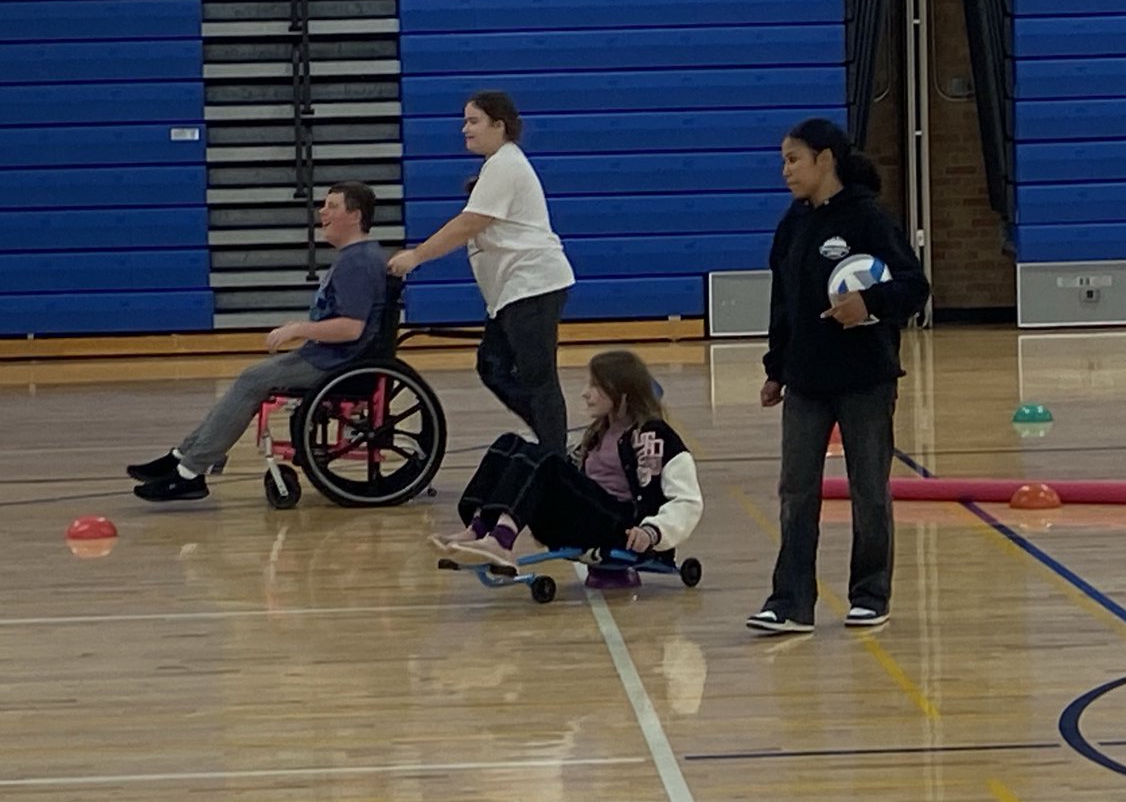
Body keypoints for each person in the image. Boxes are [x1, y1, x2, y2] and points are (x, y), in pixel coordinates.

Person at [746, 119, 930, 634]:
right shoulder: (792, 224)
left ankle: (870, 594)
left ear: (825, 160)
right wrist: (775, 369)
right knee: (797, 491)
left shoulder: (868, 218)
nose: (785, 171)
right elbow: (783, 303)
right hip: (806, 380)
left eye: (793, 159)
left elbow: (916, 287)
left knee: (868, 488)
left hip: (866, 379)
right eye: (783, 160)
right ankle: (790, 602)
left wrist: (868, 304)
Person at [127, 181, 388, 502]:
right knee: (251, 377)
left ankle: (190, 471)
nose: (322, 211)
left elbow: (351, 328)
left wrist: (298, 329)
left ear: (355, 216)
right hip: (329, 356)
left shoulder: (358, 262)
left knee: (253, 379)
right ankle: (183, 458)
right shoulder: (357, 257)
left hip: (339, 362)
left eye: (332, 206)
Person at [387, 91, 574, 454]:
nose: (465, 129)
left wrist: (417, 257)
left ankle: (555, 458)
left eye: (473, 121)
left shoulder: (506, 164)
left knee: (538, 378)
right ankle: (553, 441)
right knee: (493, 367)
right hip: (511, 291)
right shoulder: (497, 165)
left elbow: (468, 224)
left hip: (533, 285)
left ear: (499, 125)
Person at [431, 350, 702, 572]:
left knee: (546, 457)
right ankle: (479, 530)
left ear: (622, 393)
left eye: (596, 386)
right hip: (583, 517)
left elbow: (687, 501)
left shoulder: (655, 436)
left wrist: (654, 532)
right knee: (509, 444)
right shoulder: (598, 433)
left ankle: (501, 540)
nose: (585, 393)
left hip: (623, 527)